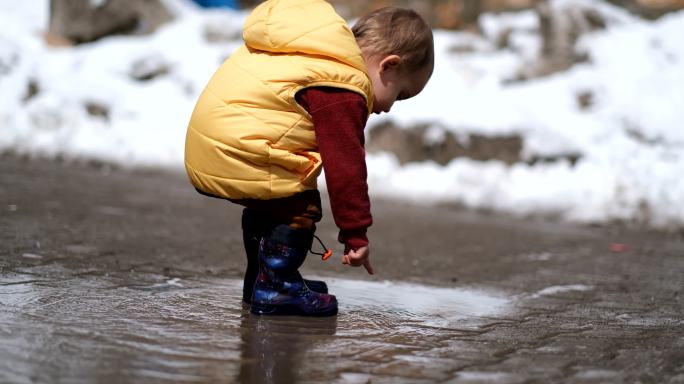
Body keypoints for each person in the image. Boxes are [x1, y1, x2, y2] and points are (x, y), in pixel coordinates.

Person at [184, 0, 434, 316]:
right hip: (242, 146)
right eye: (400, 94)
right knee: (299, 205)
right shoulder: (342, 86)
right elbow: (346, 168)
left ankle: (264, 278)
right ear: (389, 65)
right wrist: (355, 231)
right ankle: (276, 286)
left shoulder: (310, 54)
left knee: (273, 202)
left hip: (217, 140)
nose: (390, 107)